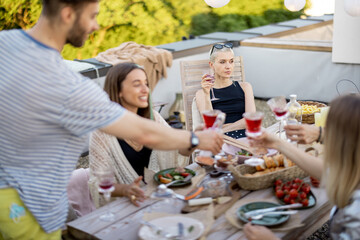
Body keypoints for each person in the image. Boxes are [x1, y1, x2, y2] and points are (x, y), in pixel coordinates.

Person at [0, 1, 223, 239]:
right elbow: (144, 133)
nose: (96, 25)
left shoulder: (6, 42)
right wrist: (195, 137)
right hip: (28, 209)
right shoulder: (67, 85)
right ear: (67, 14)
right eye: (92, 16)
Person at [245, 94, 360, 240]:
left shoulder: (356, 218)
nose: (324, 135)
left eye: (329, 131)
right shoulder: (354, 172)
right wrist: (277, 143)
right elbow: (328, 172)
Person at [88, 62, 192, 208]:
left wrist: (194, 141)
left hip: (159, 199)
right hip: (126, 207)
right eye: (137, 84)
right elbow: (98, 184)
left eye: (146, 83)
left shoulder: (153, 117)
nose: (145, 90)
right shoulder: (101, 131)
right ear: (118, 91)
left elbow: (178, 149)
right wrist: (125, 190)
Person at [195, 42, 256, 139]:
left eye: (231, 61)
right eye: (222, 62)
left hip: (247, 137)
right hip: (221, 140)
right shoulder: (202, 93)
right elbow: (210, 125)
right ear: (212, 65)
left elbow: (251, 120)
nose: (228, 66)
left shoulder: (245, 87)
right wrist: (207, 94)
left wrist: (222, 129)